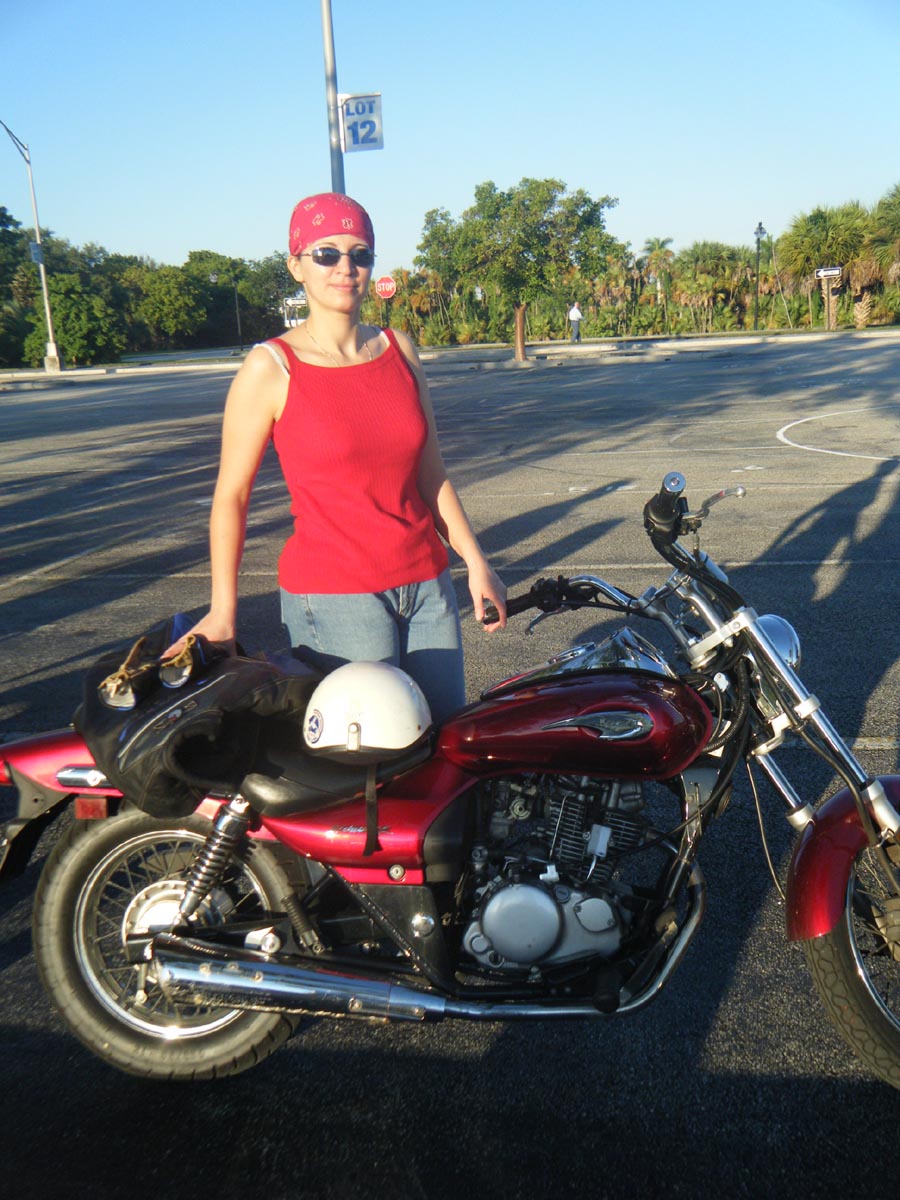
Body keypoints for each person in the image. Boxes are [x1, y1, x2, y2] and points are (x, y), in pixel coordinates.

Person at [170, 192, 506, 725]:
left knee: (444, 741)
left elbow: (431, 474)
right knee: (369, 757)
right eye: (326, 254)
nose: (345, 267)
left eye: (360, 254)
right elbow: (232, 495)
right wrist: (222, 610)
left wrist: (476, 561)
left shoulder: (400, 349)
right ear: (296, 265)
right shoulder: (271, 367)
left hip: (427, 585)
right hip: (336, 596)